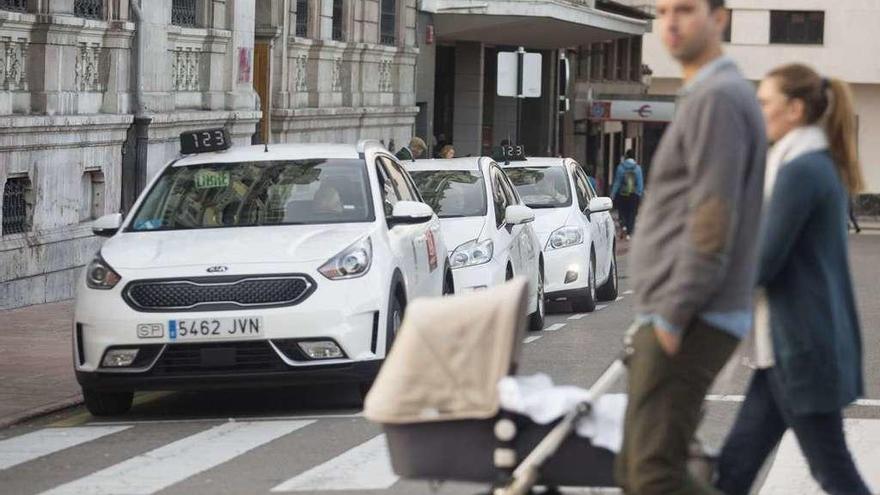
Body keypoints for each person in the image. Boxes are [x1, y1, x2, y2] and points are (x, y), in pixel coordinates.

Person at [615, 0, 767, 493]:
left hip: (692, 314)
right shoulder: (709, 92)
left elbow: (712, 216)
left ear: (719, 18)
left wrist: (674, 314)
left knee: (652, 470)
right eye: (662, 12)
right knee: (644, 464)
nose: (671, 23)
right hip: (685, 311)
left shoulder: (718, 98)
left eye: (685, 9)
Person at [715, 64, 871, 495]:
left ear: (795, 109)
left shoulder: (802, 169)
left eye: (765, 102)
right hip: (785, 351)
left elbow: (763, 261)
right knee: (732, 473)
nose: (757, 110)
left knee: (834, 473)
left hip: (800, 351)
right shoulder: (810, 162)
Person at [610, 150, 644, 238]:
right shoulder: (638, 168)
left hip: (622, 194)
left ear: (626, 157)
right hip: (634, 195)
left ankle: (623, 226)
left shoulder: (620, 167)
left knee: (622, 212)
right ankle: (629, 233)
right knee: (632, 213)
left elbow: (617, 182)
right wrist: (639, 194)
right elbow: (640, 184)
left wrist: (612, 195)